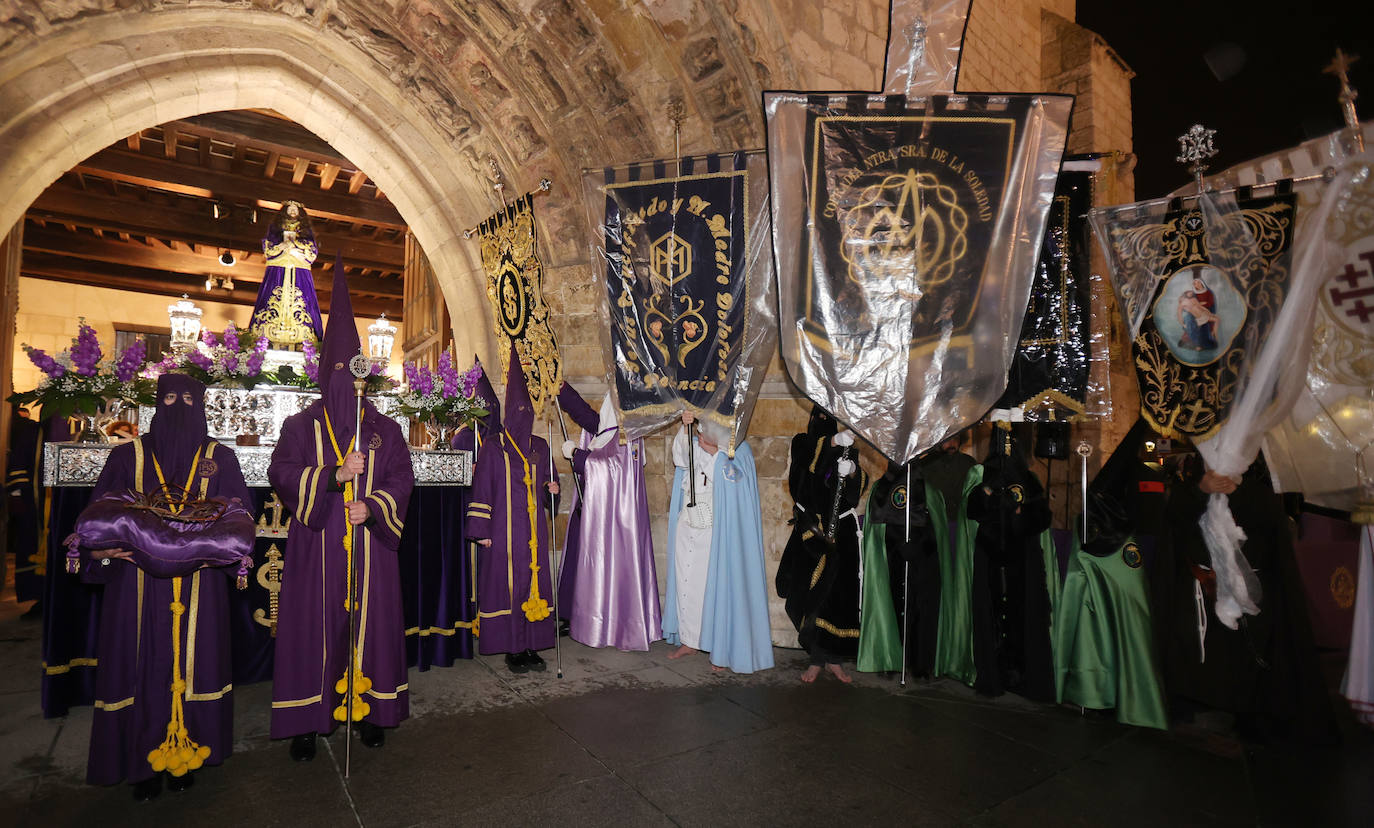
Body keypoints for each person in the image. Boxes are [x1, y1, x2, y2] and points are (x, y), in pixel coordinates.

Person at [79, 374, 252, 800]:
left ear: (202, 406)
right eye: (169, 397)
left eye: (188, 399)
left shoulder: (220, 457)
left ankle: (188, 752)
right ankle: (140, 762)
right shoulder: (127, 456)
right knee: (140, 662)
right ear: (157, 404)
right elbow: (97, 513)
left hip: (201, 582)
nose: (178, 406)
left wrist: (225, 545)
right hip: (135, 584)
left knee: (195, 662)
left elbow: (240, 512)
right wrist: (103, 551)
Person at [268, 264, 415, 759]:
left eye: (351, 377)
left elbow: (402, 478)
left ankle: (372, 711)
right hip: (317, 546)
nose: (345, 387)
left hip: (370, 544)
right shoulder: (299, 426)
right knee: (315, 626)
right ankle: (309, 719)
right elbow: (282, 472)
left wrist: (372, 505)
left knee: (371, 626)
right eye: (336, 374)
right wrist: (333, 475)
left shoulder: (385, 430)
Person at [466, 345, 560, 674]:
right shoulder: (494, 448)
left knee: (533, 585)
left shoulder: (540, 446)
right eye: (516, 410)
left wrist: (552, 491)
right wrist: (481, 533)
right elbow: (483, 491)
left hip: (532, 532)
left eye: (526, 410)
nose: (522, 415)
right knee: (508, 586)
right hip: (504, 533)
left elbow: (551, 485)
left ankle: (532, 645)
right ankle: (513, 648)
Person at [664, 411, 773, 673]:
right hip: (688, 521)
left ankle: (719, 646)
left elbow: (734, 481)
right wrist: (685, 427)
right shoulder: (693, 440)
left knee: (710, 588)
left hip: (715, 527)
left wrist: (714, 454)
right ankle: (689, 640)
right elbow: (680, 458)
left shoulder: (737, 447)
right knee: (685, 584)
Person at [557, 383, 661, 651]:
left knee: (602, 565)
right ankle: (575, 614)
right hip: (591, 510)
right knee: (578, 559)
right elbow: (589, 418)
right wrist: (562, 389)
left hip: (610, 521)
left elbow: (610, 468)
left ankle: (604, 623)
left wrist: (576, 455)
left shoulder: (627, 436)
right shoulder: (607, 431)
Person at [776, 405, 866, 682]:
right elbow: (804, 473)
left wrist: (851, 472)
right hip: (812, 532)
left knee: (838, 599)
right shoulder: (802, 443)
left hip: (842, 532)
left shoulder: (849, 450)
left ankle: (835, 659)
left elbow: (854, 493)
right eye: (819, 417)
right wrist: (832, 443)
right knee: (810, 596)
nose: (823, 422)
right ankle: (815, 659)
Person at [965, 424, 1054, 700]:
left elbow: (1042, 517)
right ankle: (992, 674)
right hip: (990, 555)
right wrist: (989, 490)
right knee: (989, 615)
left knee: (1023, 613)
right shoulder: (980, 476)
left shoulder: (1030, 480)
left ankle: (1022, 674)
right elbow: (972, 509)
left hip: (1022, 558)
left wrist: (1019, 514)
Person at [250, 200, 324, 348]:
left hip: (299, 268)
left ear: (300, 213)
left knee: (303, 301)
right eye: (289, 209)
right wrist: (281, 246)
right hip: (278, 267)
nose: (292, 212)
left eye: (295, 210)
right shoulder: (275, 228)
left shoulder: (305, 231)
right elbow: (268, 247)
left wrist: (295, 246)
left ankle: (305, 339)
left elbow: (312, 251)